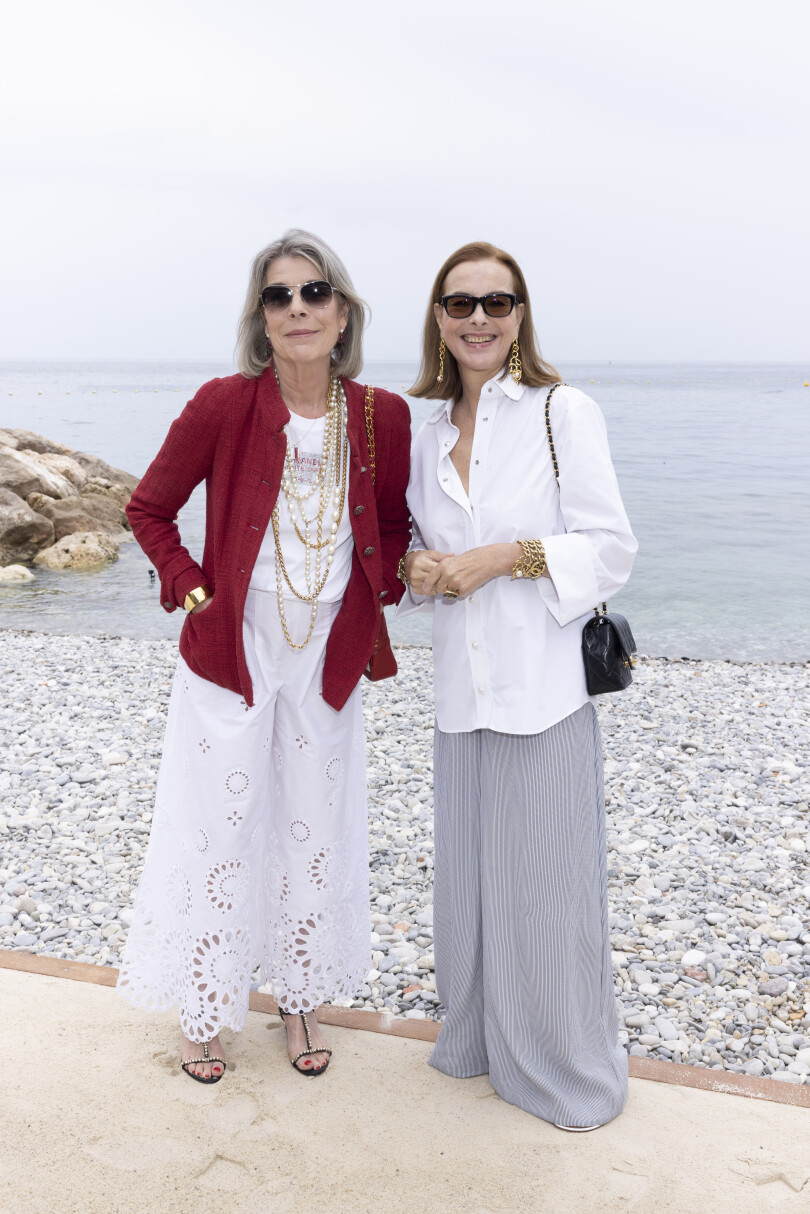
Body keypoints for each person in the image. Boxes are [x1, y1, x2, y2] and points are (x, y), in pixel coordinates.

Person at [117, 229, 411, 1082]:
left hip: (329, 654)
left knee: (313, 828)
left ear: (343, 309)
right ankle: (205, 1010)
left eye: (314, 293)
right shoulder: (223, 404)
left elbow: (390, 530)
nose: (297, 309)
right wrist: (195, 589)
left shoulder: (380, 415)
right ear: (261, 316)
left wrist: (377, 593)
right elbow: (149, 510)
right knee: (222, 825)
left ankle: (300, 997)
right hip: (232, 653)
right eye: (278, 296)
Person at [398, 241, 637, 1128]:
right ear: (439, 317)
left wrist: (506, 557)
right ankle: (481, 1041)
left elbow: (612, 547)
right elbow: (418, 548)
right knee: (472, 881)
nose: (479, 321)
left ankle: (564, 1069)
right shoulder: (425, 427)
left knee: (547, 885)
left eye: (497, 304)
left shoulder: (561, 411)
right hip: (462, 690)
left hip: (543, 690)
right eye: (461, 305)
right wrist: (422, 566)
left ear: (521, 314)